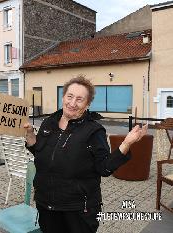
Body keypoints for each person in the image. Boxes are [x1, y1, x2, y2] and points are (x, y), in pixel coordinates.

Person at [24, 76, 148, 233]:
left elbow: (104, 168)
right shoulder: (49, 122)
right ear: (63, 97)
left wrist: (127, 143)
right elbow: (40, 153)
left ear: (87, 104)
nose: (72, 103)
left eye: (79, 99)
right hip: (46, 206)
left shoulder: (93, 131)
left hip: (78, 211)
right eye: (69, 96)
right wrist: (29, 135)